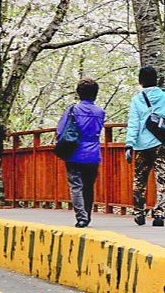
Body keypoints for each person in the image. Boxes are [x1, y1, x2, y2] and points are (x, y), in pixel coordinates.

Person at [125, 66, 165, 227]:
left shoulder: (137, 100)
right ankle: (159, 214)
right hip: (162, 143)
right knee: (163, 179)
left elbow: (134, 123)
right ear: (157, 80)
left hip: (141, 145)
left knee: (139, 180)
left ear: (140, 81)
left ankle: (139, 213)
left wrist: (129, 144)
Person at [56, 78, 106, 228]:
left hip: (75, 152)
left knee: (76, 185)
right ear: (95, 93)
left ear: (79, 93)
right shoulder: (100, 112)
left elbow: (61, 130)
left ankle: (81, 217)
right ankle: (87, 215)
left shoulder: (73, 110)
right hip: (93, 153)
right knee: (88, 186)